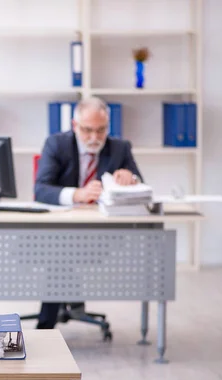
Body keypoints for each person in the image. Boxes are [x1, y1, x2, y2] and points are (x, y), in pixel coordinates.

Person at [34, 96, 144, 329]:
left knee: (59, 255)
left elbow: (142, 185)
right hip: (58, 231)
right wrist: (77, 194)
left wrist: (130, 179)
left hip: (102, 233)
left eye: (101, 130)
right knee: (59, 253)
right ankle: (48, 323)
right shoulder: (57, 144)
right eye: (87, 130)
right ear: (75, 126)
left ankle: (46, 326)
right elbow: (41, 190)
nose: (94, 137)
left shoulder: (120, 148)